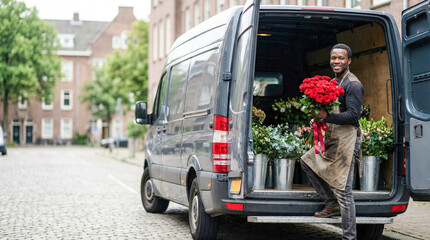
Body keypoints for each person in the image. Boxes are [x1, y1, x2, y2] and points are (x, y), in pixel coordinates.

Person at [300, 43, 364, 240]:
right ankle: (330, 203)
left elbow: (353, 116)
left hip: (346, 141)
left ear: (349, 61)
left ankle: (349, 237)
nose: (336, 61)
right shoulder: (335, 82)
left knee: (344, 191)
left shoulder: (352, 84)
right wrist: (318, 118)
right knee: (306, 161)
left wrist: (325, 116)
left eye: (341, 58)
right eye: (334, 58)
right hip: (332, 138)